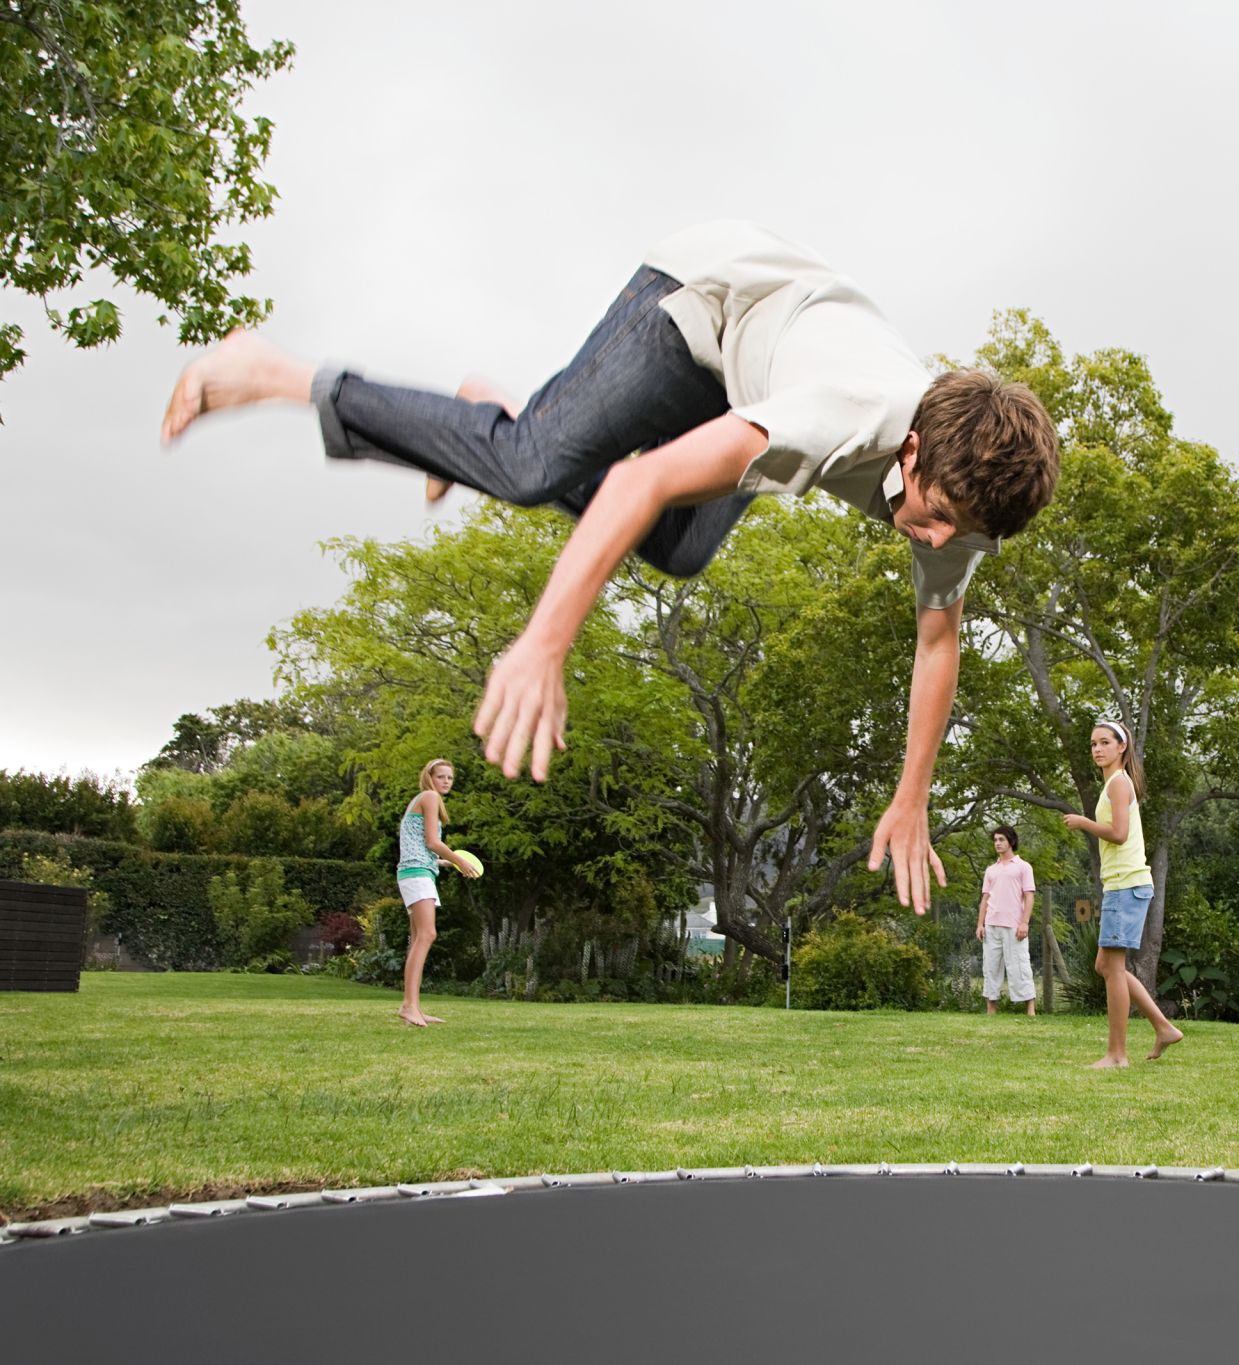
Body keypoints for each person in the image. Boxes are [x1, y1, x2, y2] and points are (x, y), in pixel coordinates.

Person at [161, 221, 1061, 914]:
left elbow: (937, 638)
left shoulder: (973, 501)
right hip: (704, 300)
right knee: (531, 469)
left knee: (676, 547)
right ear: (909, 450)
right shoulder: (839, 418)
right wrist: (542, 645)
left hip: (761, 372)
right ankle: (274, 372)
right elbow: (638, 479)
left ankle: (492, 426)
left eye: (961, 534)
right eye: (934, 516)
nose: (935, 542)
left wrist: (911, 798)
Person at [1064, 721, 1183, 1067]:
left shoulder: (1118, 784)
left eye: (1104, 743)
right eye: (1093, 744)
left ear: (1121, 747)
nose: (1097, 749)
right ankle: (1163, 1027)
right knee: (1105, 964)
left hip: (1126, 885)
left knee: (1113, 968)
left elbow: (1118, 833)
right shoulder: (1114, 784)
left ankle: (1117, 1055)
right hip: (1122, 884)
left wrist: (1083, 822)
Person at [395, 758, 479, 1027]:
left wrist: (441, 861)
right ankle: (409, 1006)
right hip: (416, 874)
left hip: (417, 871)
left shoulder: (423, 799)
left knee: (418, 937)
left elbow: (420, 844)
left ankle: (413, 1007)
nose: (446, 782)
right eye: (441, 776)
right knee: (428, 934)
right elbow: (433, 841)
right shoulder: (429, 796)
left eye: (450, 778)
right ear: (429, 777)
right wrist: (458, 860)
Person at [976, 824, 1037, 1016]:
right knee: (991, 968)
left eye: (1001, 839)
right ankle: (991, 1009)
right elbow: (985, 899)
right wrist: (980, 924)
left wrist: (1024, 922)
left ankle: (1031, 1009)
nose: (997, 843)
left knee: (1019, 966)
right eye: (995, 840)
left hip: (1014, 926)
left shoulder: (1023, 867)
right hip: (991, 926)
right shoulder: (991, 870)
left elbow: (1029, 896)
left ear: (1011, 841)